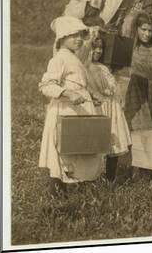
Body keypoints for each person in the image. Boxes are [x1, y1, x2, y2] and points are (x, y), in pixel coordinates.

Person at [38, 16, 106, 195]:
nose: (78, 39)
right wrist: (67, 93)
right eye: (72, 35)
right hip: (66, 110)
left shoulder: (74, 58)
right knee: (65, 148)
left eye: (79, 35)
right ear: (61, 38)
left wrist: (90, 95)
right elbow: (46, 85)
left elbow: (79, 82)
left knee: (81, 146)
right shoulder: (59, 58)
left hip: (80, 110)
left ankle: (78, 185)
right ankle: (58, 189)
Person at [86, 36, 133, 182]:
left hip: (111, 107)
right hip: (98, 107)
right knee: (97, 143)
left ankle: (110, 178)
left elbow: (113, 87)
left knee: (113, 142)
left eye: (101, 48)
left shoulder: (103, 67)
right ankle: (91, 176)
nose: (98, 51)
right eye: (95, 47)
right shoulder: (84, 68)